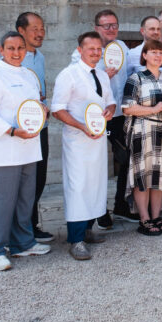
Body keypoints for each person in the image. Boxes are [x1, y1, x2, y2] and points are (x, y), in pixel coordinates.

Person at [0, 31, 51, 272]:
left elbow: (35, 104)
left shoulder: (29, 75)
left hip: (28, 148)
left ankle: (22, 243)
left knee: (24, 200)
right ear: (1, 50)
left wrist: (42, 112)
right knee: (0, 203)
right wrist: (11, 131)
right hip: (3, 149)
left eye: (20, 48)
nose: (16, 53)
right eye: (11, 48)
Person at [51, 32, 116, 259]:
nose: (96, 53)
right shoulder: (68, 75)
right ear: (80, 50)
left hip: (97, 139)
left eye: (99, 49)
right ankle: (76, 239)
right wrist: (81, 126)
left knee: (95, 184)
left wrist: (110, 110)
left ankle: (88, 230)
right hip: (77, 140)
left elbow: (111, 102)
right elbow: (57, 109)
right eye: (91, 49)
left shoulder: (102, 75)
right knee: (78, 186)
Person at [72, 10, 137, 227]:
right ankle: (97, 212)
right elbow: (79, 77)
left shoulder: (123, 48)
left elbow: (130, 74)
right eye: (106, 25)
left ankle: (121, 205)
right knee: (98, 164)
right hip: (95, 117)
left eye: (114, 25)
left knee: (127, 158)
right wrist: (102, 75)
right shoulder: (83, 52)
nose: (111, 29)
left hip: (119, 114)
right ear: (97, 27)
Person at [123, 39, 162, 236]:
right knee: (143, 177)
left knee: (160, 177)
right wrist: (153, 109)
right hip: (144, 131)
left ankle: (156, 216)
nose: (157, 56)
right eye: (153, 52)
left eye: (161, 53)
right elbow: (128, 108)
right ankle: (144, 218)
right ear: (144, 55)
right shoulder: (135, 79)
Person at [15, 12, 54, 242]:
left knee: (38, 178)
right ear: (21, 31)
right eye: (35, 28)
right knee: (23, 181)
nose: (40, 33)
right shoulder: (16, 58)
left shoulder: (40, 57)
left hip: (42, 126)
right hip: (22, 129)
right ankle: (20, 229)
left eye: (42, 28)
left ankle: (30, 224)